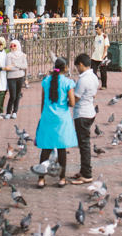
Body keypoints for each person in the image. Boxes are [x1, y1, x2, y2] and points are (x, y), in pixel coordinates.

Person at [35, 57, 78, 188]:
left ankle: (41, 179)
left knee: (46, 149)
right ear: (65, 68)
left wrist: (42, 116)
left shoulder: (46, 81)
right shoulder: (68, 82)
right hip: (62, 119)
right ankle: (62, 178)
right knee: (61, 149)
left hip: (47, 117)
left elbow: (43, 101)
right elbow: (72, 102)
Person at [70, 53, 98, 185]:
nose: (77, 69)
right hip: (90, 111)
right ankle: (83, 170)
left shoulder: (83, 80)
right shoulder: (93, 76)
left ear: (81, 64)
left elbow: (74, 100)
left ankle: (87, 174)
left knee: (84, 145)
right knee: (84, 144)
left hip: (82, 114)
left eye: (77, 66)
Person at [5, 39, 28, 119]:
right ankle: (8, 112)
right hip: (11, 77)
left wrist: (15, 65)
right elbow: (8, 67)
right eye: (11, 45)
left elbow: (25, 66)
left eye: (14, 45)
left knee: (18, 95)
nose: (12, 47)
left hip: (20, 77)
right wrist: (18, 67)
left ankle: (15, 111)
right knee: (12, 95)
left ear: (17, 46)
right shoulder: (8, 55)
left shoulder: (22, 55)